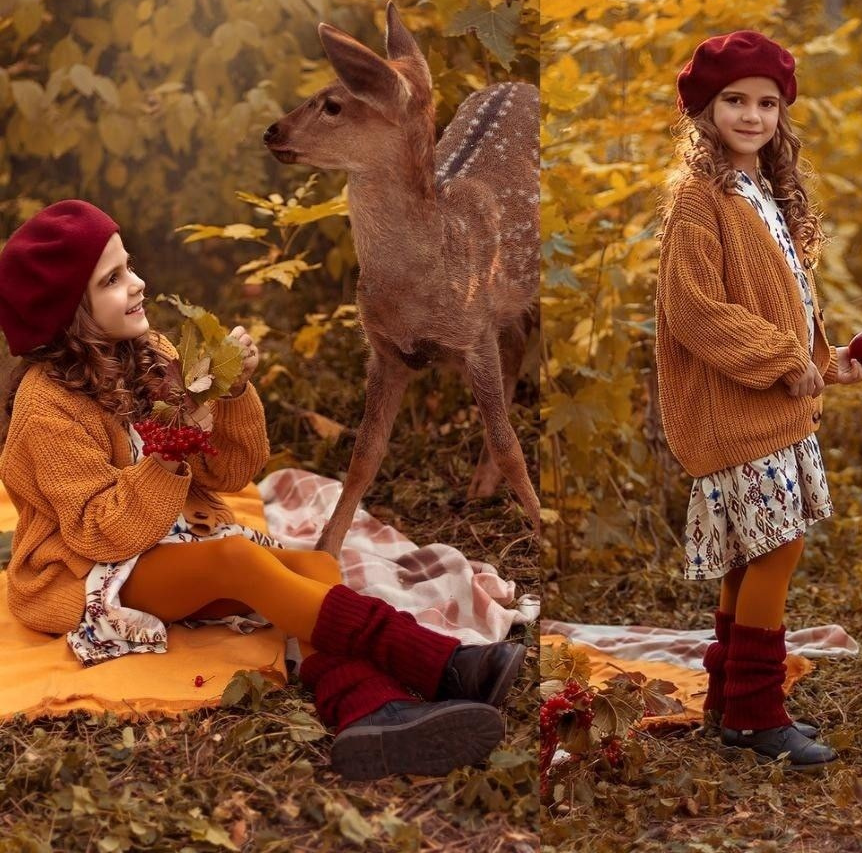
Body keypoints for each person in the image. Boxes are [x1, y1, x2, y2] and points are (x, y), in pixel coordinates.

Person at [0, 200, 523, 779]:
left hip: (162, 541)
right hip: (84, 570)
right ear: (69, 314)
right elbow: (99, 531)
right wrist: (171, 451)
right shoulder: (46, 408)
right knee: (236, 559)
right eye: (113, 279)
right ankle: (441, 662)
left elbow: (231, 475)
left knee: (315, 571)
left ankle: (372, 712)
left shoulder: (155, 358)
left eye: (129, 265)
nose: (138, 283)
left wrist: (230, 393)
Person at [655, 32, 862, 768]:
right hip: (737, 406)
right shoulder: (699, 200)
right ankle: (757, 716)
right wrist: (784, 360)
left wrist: (826, 359)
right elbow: (697, 310)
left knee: (752, 556)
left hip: (773, 404)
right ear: (704, 110)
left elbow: (783, 299)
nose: (751, 116)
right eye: (734, 101)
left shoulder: (763, 192)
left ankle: (728, 701)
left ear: (782, 113)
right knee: (778, 550)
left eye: (766, 103)